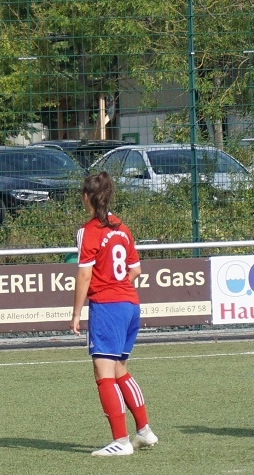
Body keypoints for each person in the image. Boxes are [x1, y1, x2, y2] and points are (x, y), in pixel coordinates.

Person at [70, 172, 158, 457]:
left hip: (108, 307)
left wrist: (76, 313)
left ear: (86, 197)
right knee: (120, 368)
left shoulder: (88, 231)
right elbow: (136, 270)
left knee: (103, 372)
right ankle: (144, 431)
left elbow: (84, 276)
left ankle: (120, 441)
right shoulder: (122, 227)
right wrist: (118, 288)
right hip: (130, 304)